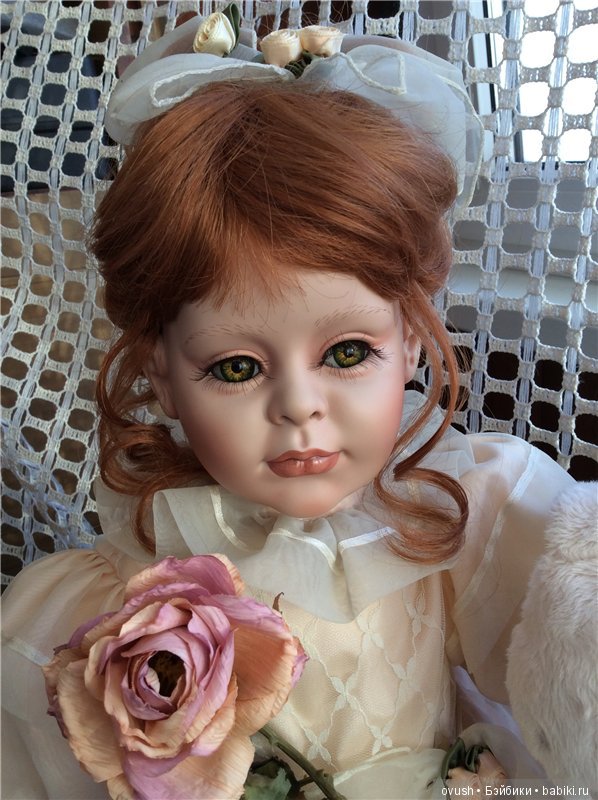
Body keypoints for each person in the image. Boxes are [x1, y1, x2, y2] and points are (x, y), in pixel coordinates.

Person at [1, 12, 577, 800]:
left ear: (411, 341)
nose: (300, 408)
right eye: (236, 368)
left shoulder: (448, 514)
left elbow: (564, 643)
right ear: (161, 375)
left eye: (348, 354)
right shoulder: (103, 600)